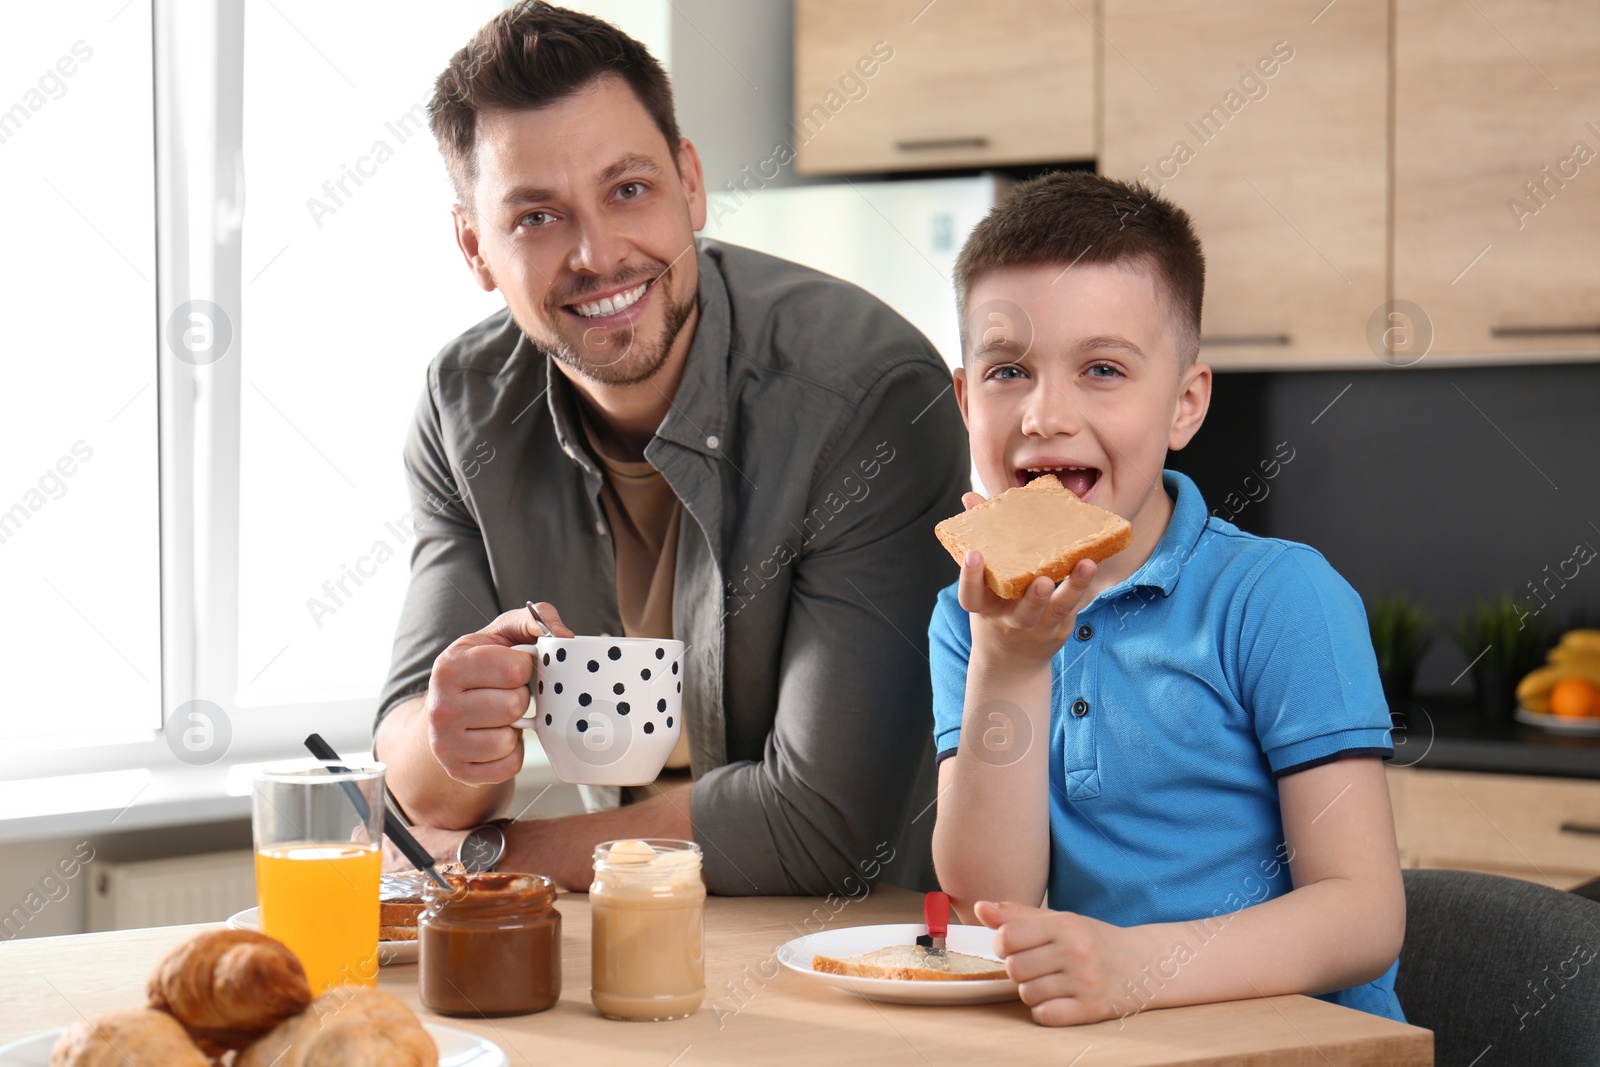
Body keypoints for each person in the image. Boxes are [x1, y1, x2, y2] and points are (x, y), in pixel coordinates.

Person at [372, 2, 968, 896]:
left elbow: (825, 828)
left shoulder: (867, 396)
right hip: (629, 931)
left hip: (863, 955)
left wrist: (488, 858)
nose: (598, 253)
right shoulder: (464, 409)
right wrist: (454, 735)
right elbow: (412, 780)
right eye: (536, 216)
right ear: (474, 248)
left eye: (628, 189)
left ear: (690, 182)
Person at [929, 172, 1405, 1026]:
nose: (1045, 413)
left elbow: (1365, 912)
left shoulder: (1277, 596)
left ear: (1185, 403)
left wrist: (1136, 967)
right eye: (1008, 371)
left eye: (1102, 368)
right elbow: (988, 900)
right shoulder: (974, 614)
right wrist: (1008, 661)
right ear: (966, 401)